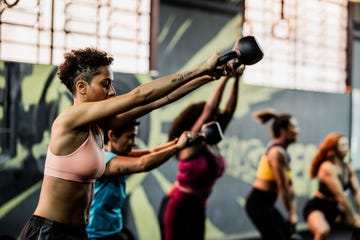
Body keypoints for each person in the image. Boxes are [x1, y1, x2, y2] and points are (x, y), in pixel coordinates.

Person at [19, 46, 239, 239]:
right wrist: (202, 67)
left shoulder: (98, 126)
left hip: (78, 232)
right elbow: (140, 96)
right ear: (81, 87)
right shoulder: (69, 120)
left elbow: (160, 100)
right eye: (106, 84)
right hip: (49, 233)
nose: (112, 91)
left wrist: (210, 77)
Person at [157, 65, 245, 240]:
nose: (213, 120)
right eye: (207, 120)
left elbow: (229, 111)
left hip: (199, 207)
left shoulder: (213, 142)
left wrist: (236, 80)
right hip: (177, 208)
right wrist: (226, 77)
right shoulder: (192, 142)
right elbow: (208, 112)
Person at [86, 119, 196, 240]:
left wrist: (177, 143)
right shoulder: (105, 160)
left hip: (112, 230)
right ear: (112, 136)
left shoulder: (119, 154)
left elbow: (150, 152)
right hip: (97, 235)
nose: (134, 143)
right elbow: (142, 164)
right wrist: (179, 146)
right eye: (130, 137)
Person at [245, 108, 300, 240]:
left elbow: (290, 187)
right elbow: (283, 187)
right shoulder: (276, 153)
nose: (297, 131)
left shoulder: (284, 153)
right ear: (283, 130)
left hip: (267, 204)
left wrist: (293, 211)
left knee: (285, 235)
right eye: (294, 127)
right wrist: (291, 214)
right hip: (257, 204)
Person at [303, 132, 360, 240]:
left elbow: (357, 192)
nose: (346, 148)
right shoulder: (327, 167)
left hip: (334, 209)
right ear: (333, 148)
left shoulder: (347, 167)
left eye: (347, 144)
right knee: (323, 231)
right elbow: (341, 196)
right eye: (342, 145)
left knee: (359, 226)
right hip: (318, 207)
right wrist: (353, 217)